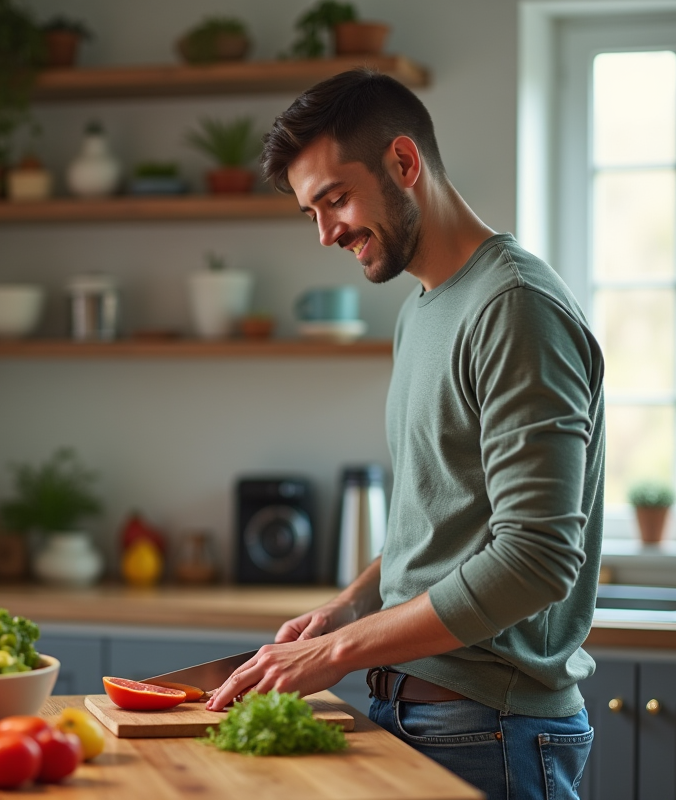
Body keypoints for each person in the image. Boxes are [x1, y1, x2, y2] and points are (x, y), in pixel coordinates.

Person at [205, 69, 605, 800]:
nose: (326, 233)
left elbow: (536, 559)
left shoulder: (515, 307)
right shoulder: (421, 309)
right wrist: (350, 607)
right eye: (311, 212)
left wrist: (338, 651)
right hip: (419, 719)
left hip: (493, 732)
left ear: (403, 162)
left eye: (336, 199)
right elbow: (443, 521)